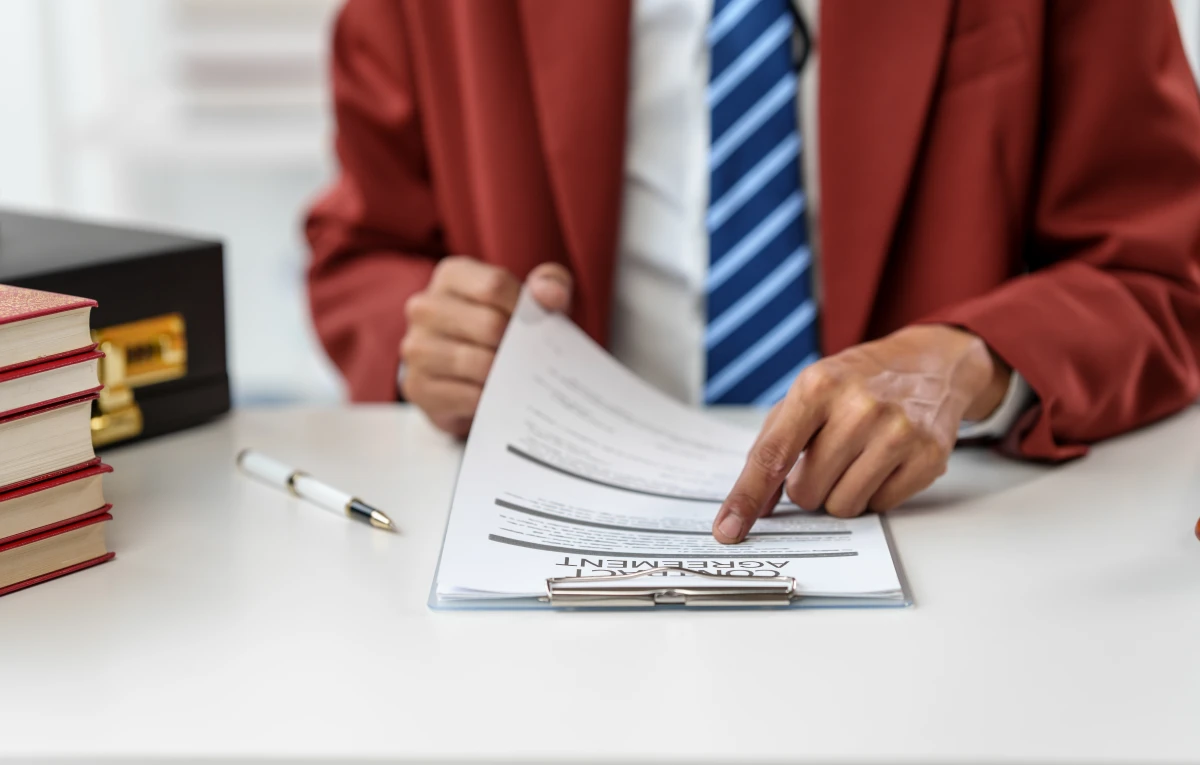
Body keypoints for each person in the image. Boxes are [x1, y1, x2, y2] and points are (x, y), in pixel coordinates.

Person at [305, 0, 1200, 543]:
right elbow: (363, 253)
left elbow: (1163, 267)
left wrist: (973, 359)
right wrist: (423, 337)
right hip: (555, 548)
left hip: (953, 543)